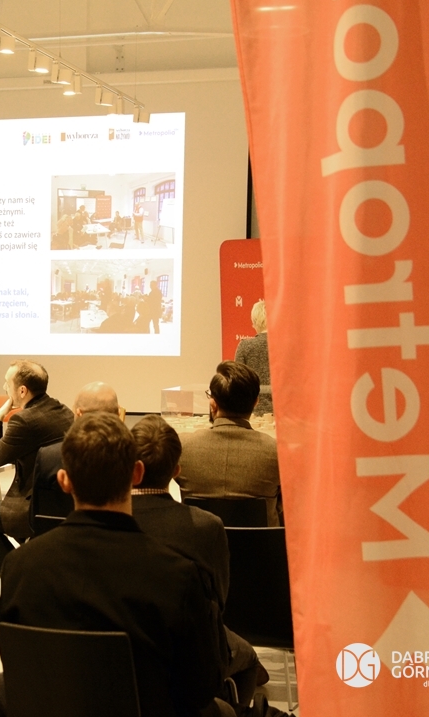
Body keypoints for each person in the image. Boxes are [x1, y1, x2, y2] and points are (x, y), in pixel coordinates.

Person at [0, 413, 222, 717]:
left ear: (63, 480)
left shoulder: (18, 567)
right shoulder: (176, 576)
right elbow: (200, 688)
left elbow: (18, 669)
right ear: (137, 473)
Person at [131, 414, 268, 711]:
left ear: (131, 468)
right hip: (188, 652)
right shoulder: (206, 527)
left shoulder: (110, 521)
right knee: (248, 658)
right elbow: (219, 598)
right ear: (176, 471)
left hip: (125, 649)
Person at [0, 360, 73, 570]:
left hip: (34, 507)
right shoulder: (63, 411)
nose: (4, 388)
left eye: (7, 383)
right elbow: (34, 450)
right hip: (63, 503)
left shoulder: (23, 421)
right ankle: (28, 566)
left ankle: (14, 573)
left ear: (22, 390)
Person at [175, 361, 281, 526]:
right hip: (261, 543)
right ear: (256, 402)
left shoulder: (182, 447)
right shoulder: (276, 452)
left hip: (200, 542)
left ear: (213, 404)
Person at [31, 381, 122, 526]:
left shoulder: (49, 457)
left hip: (60, 535)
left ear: (78, 414)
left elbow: (36, 516)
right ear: (118, 414)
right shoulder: (131, 455)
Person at [234, 300, 273, 416]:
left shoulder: (245, 346)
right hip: (283, 414)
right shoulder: (286, 346)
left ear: (254, 323)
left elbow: (237, 383)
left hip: (251, 413)